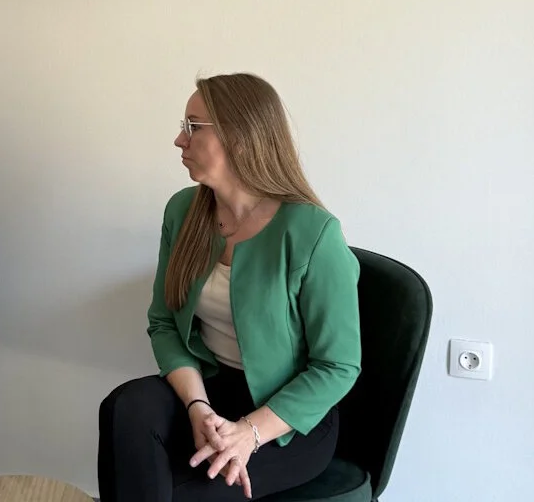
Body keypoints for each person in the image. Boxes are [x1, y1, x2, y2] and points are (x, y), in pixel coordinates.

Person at [97, 73, 362, 501]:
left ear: (239, 137)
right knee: (125, 406)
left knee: (174, 489)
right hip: (210, 389)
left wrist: (249, 432)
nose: (179, 140)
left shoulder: (313, 233)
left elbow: (338, 366)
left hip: (286, 419)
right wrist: (197, 406)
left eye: (192, 126)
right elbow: (164, 322)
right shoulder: (183, 211)